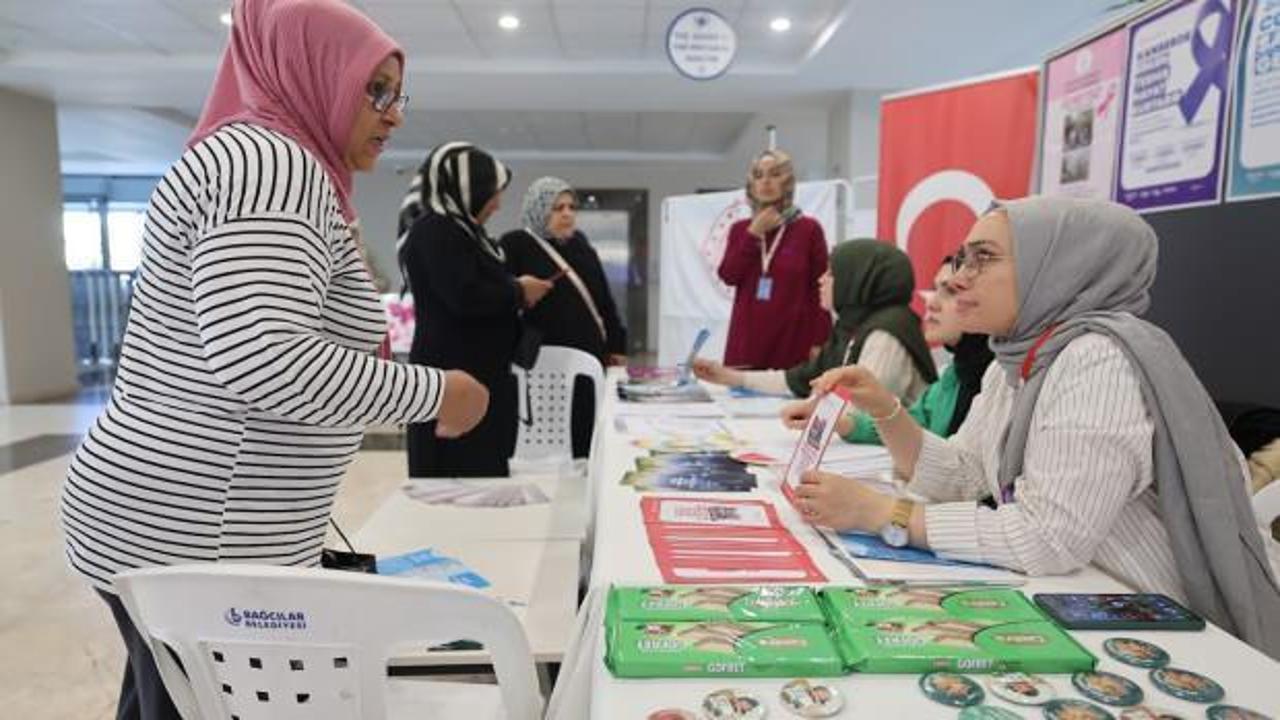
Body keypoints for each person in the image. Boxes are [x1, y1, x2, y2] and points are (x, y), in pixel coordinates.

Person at [58, 2, 491, 718]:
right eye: (373, 90)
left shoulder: (265, 161)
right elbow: (264, 358)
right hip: (194, 532)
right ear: (312, 72)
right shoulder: (270, 168)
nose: (393, 114)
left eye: (396, 92)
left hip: (174, 522)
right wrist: (437, 391)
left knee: (162, 697)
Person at [796, 196, 1280, 658]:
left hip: (1172, 627)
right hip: (1089, 596)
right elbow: (965, 475)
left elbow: (1047, 537)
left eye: (982, 259)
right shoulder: (1017, 359)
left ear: (1060, 267)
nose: (961, 278)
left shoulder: (1097, 359)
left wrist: (880, 512)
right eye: (963, 259)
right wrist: (885, 409)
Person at [400, 142, 552, 477]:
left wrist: (515, 290)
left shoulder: (465, 233)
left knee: (484, 478)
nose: (497, 204)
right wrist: (517, 289)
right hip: (454, 385)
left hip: (482, 380)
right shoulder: (436, 231)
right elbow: (463, 295)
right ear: (467, 189)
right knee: (455, 488)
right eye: (491, 193)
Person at [695, 239, 936, 403]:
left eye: (831, 273)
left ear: (858, 278)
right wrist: (730, 377)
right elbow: (801, 380)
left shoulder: (886, 334)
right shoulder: (851, 326)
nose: (821, 280)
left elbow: (862, 410)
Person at [500, 176, 628, 457]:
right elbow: (501, 296)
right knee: (543, 435)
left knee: (585, 429)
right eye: (557, 208)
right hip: (541, 357)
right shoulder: (515, 244)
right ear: (538, 209)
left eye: (571, 206)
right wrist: (522, 288)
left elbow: (603, 299)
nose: (568, 213)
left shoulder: (579, 244)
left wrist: (617, 344)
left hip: (589, 354)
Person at [804, 258, 993, 444]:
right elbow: (916, 423)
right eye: (935, 289)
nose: (931, 303)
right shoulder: (956, 373)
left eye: (951, 291)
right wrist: (840, 422)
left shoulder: (999, 379)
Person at [718, 149, 830, 370]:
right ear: (751, 185)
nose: (766, 181)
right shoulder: (741, 230)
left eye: (775, 174)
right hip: (746, 342)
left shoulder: (808, 229)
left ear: (787, 181)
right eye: (759, 175)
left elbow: (821, 289)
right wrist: (754, 233)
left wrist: (821, 341)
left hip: (793, 342)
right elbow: (728, 275)